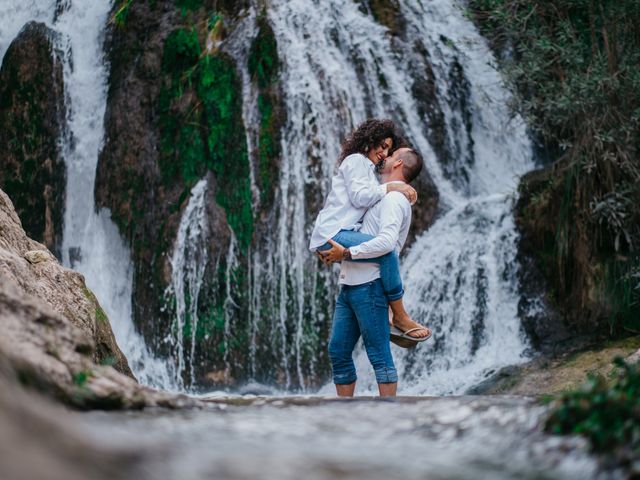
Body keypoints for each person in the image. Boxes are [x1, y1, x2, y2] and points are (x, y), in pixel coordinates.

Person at [309, 118, 429, 340]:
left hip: (339, 235)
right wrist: (393, 185)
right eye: (382, 146)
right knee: (387, 254)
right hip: (333, 233)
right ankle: (399, 314)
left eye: (389, 150)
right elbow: (360, 197)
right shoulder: (356, 160)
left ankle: (394, 314)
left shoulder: (370, 174)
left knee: (385, 252)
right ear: (370, 141)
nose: (384, 153)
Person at [319, 147, 425, 396]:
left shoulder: (394, 200)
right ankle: (346, 416)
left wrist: (346, 253)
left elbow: (387, 243)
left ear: (398, 163)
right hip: (351, 286)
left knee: (379, 354)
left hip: (371, 287)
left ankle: (387, 421)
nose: (384, 157)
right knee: (338, 351)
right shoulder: (382, 195)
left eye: (390, 154)